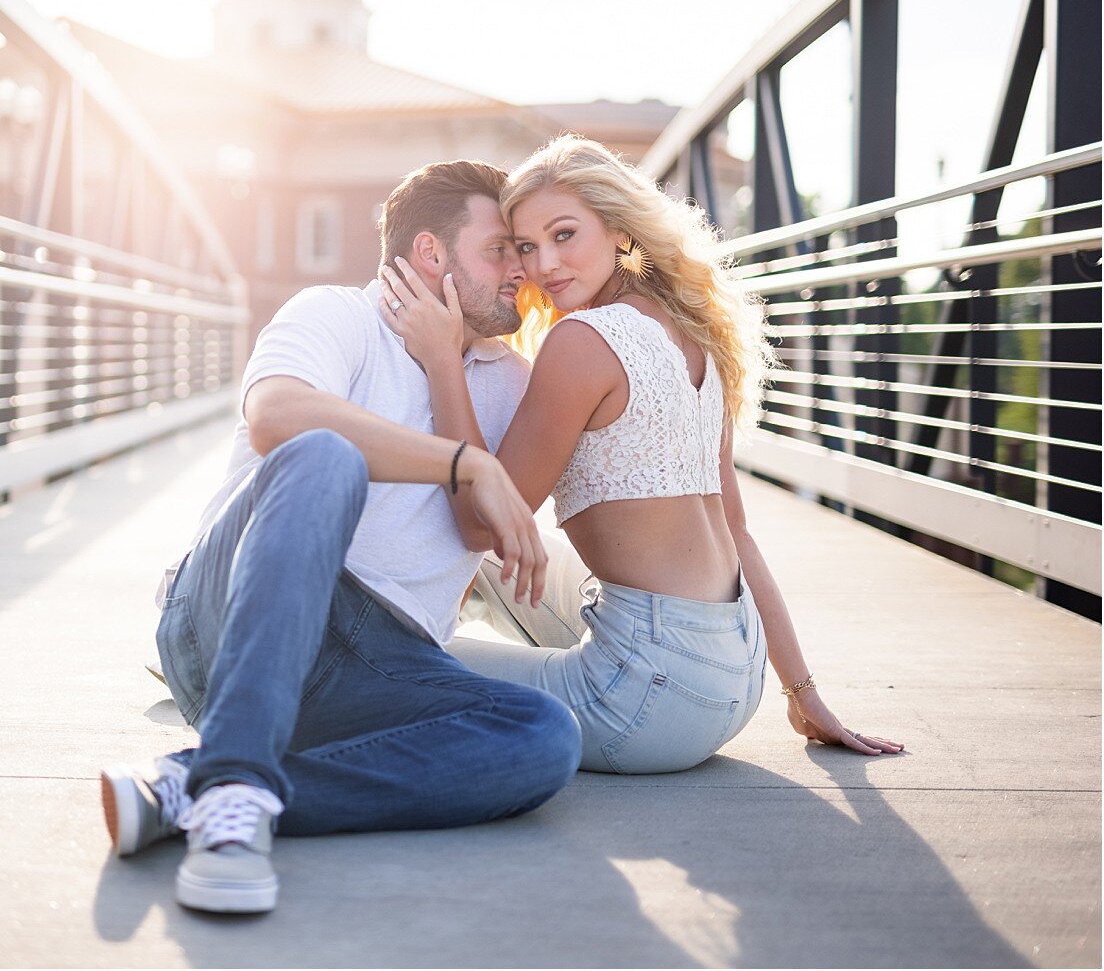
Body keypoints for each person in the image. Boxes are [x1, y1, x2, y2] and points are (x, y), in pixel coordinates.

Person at [100, 160, 580, 915]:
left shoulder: (508, 379)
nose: (521, 270)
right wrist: (463, 461)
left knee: (544, 737)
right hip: (226, 624)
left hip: (379, 663)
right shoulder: (335, 313)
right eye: (501, 250)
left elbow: (486, 522)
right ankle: (230, 809)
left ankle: (209, 782)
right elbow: (278, 417)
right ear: (430, 254)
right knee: (324, 453)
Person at [378, 135, 903, 775]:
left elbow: (479, 524)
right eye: (524, 247)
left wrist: (441, 361)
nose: (543, 264)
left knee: (384, 661)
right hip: (734, 681)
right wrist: (802, 693)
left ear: (620, 230)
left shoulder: (581, 341)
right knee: (494, 571)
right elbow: (737, 531)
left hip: (642, 701)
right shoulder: (695, 337)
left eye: (564, 235)